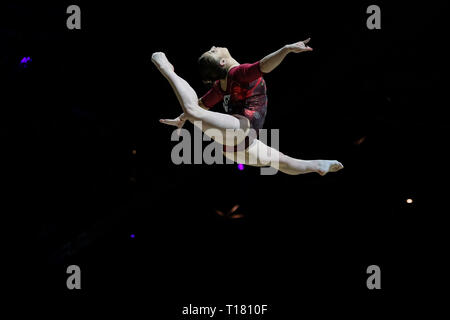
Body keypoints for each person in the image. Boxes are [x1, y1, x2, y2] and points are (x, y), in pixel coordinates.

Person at [152, 39, 343, 175]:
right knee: (193, 111)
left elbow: (201, 103)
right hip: (240, 130)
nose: (213, 46)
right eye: (212, 51)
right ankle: (167, 69)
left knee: (282, 162)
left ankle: (318, 164)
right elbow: (264, 66)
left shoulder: (220, 86)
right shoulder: (238, 72)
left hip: (236, 146)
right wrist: (286, 49)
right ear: (223, 62)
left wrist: (180, 119)